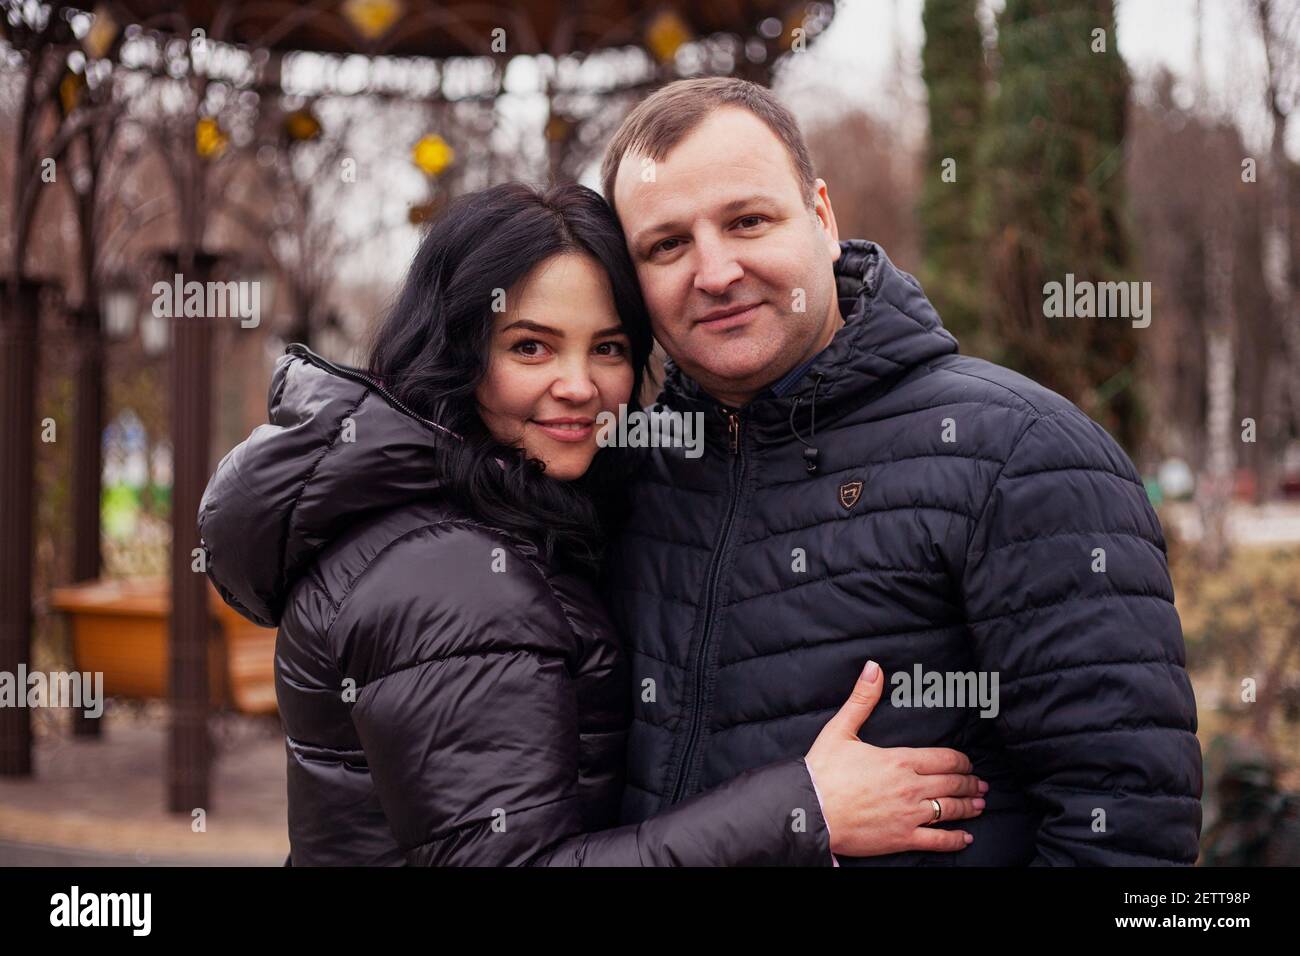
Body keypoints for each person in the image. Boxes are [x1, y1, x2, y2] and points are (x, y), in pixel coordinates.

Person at [197, 181, 988, 865]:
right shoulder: (455, 575)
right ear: (457, 352)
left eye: (607, 348)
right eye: (532, 346)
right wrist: (804, 808)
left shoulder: (485, 517)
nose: (580, 386)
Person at [599, 77, 1203, 865]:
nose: (714, 272)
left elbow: (1128, 832)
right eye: (666, 245)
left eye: (747, 221)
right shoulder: (624, 475)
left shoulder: (1021, 454)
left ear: (821, 216)